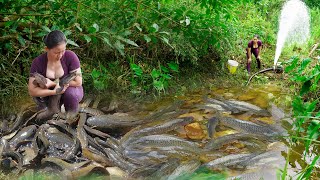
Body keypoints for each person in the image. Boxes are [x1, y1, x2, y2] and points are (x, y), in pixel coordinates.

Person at [28, 30, 83, 112]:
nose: (60, 55)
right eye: (56, 52)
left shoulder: (71, 56)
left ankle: (71, 116)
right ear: (46, 49)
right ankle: (48, 111)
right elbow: (32, 90)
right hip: (48, 95)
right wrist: (54, 92)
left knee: (71, 94)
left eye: (63, 51)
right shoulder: (37, 62)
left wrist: (54, 84)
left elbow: (78, 82)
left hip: (70, 91)